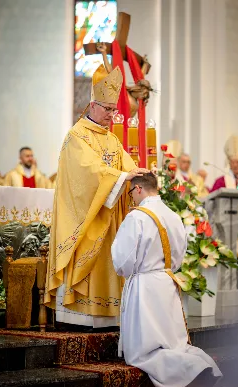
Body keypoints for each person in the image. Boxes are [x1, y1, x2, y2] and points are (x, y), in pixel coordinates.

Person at [44, 64, 148, 330]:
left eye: (114, 110)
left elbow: (125, 166)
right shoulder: (76, 136)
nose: (111, 116)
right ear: (92, 105)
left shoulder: (112, 139)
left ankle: (108, 317)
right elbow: (87, 174)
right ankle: (78, 317)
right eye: (107, 109)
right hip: (85, 219)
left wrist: (137, 175)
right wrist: (120, 177)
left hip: (109, 218)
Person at [111, 172, 222, 387]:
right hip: (167, 282)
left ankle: (191, 369)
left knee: (144, 351)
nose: (131, 198)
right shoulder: (173, 215)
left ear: (139, 189)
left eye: (131, 192)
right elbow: (179, 256)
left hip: (145, 287)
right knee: (172, 343)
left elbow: (123, 261)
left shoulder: (137, 217)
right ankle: (200, 363)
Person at [211, 135, 238, 289]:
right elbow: (212, 203)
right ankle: (226, 293)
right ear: (229, 162)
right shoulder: (220, 182)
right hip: (226, 230)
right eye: (233, 162)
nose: (236, 165)